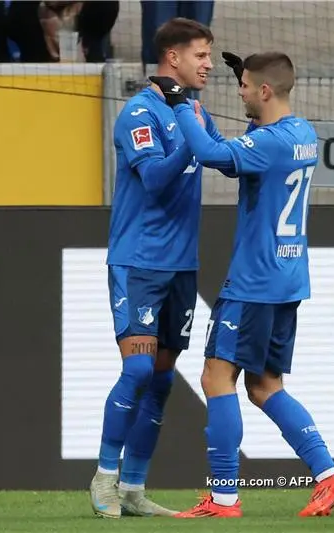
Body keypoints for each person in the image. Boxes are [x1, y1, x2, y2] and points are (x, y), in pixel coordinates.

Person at [149, 51, 334, 518]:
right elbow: (234, 153)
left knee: (215, 377)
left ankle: (223, 498)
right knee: (264, 386)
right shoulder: (300, 133)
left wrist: (181, 103)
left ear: (264, 91)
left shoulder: (271, 143)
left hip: (254, 282)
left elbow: (208, 156)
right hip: (287, 279)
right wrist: (208, 116)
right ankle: (329, 475)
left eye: (244, 84)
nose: (237, 89)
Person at [89, 17, 225, 519]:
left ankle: (134, 487)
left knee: (163, 378)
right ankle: (104, 476)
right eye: (201, 56)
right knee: (140, 367)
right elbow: (156, 181)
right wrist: (191, 132)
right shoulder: (139, 114)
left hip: (181, 266)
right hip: (138, 262)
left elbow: (221, 156)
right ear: (173, 57)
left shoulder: (193, 111)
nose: (209, 64)